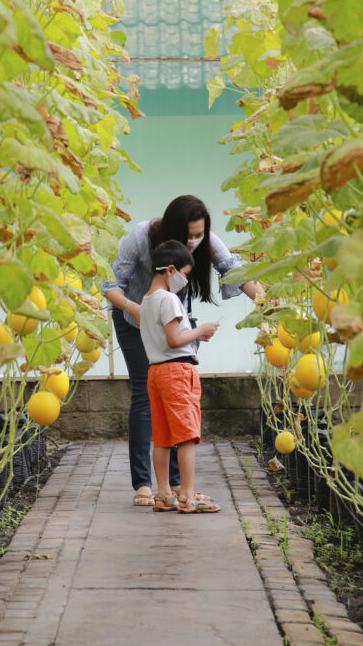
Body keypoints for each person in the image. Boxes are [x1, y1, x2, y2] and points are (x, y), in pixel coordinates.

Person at [102, 195, 264, 506]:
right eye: (189, 235)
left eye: (199, 234)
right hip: (134, 317)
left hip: (174, 319)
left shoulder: (205, 241)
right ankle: (144, 484)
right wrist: (137, 310)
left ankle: (172, 485)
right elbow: (110, 283)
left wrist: (267, 303)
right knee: (146, 395)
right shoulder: (140, 237)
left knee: (171, 401)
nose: (194, 241)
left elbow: (233, 269)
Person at [139, 241, 220, 513]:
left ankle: (164, 494)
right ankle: (187, 495)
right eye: (185, 274)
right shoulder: (169, 299)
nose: (185, 280)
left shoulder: (146, 301)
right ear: (171, 270)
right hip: (177, 371)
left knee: (162, 438)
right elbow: (174, 339)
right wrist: (201, 332)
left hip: (155, 372)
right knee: (187, 436)